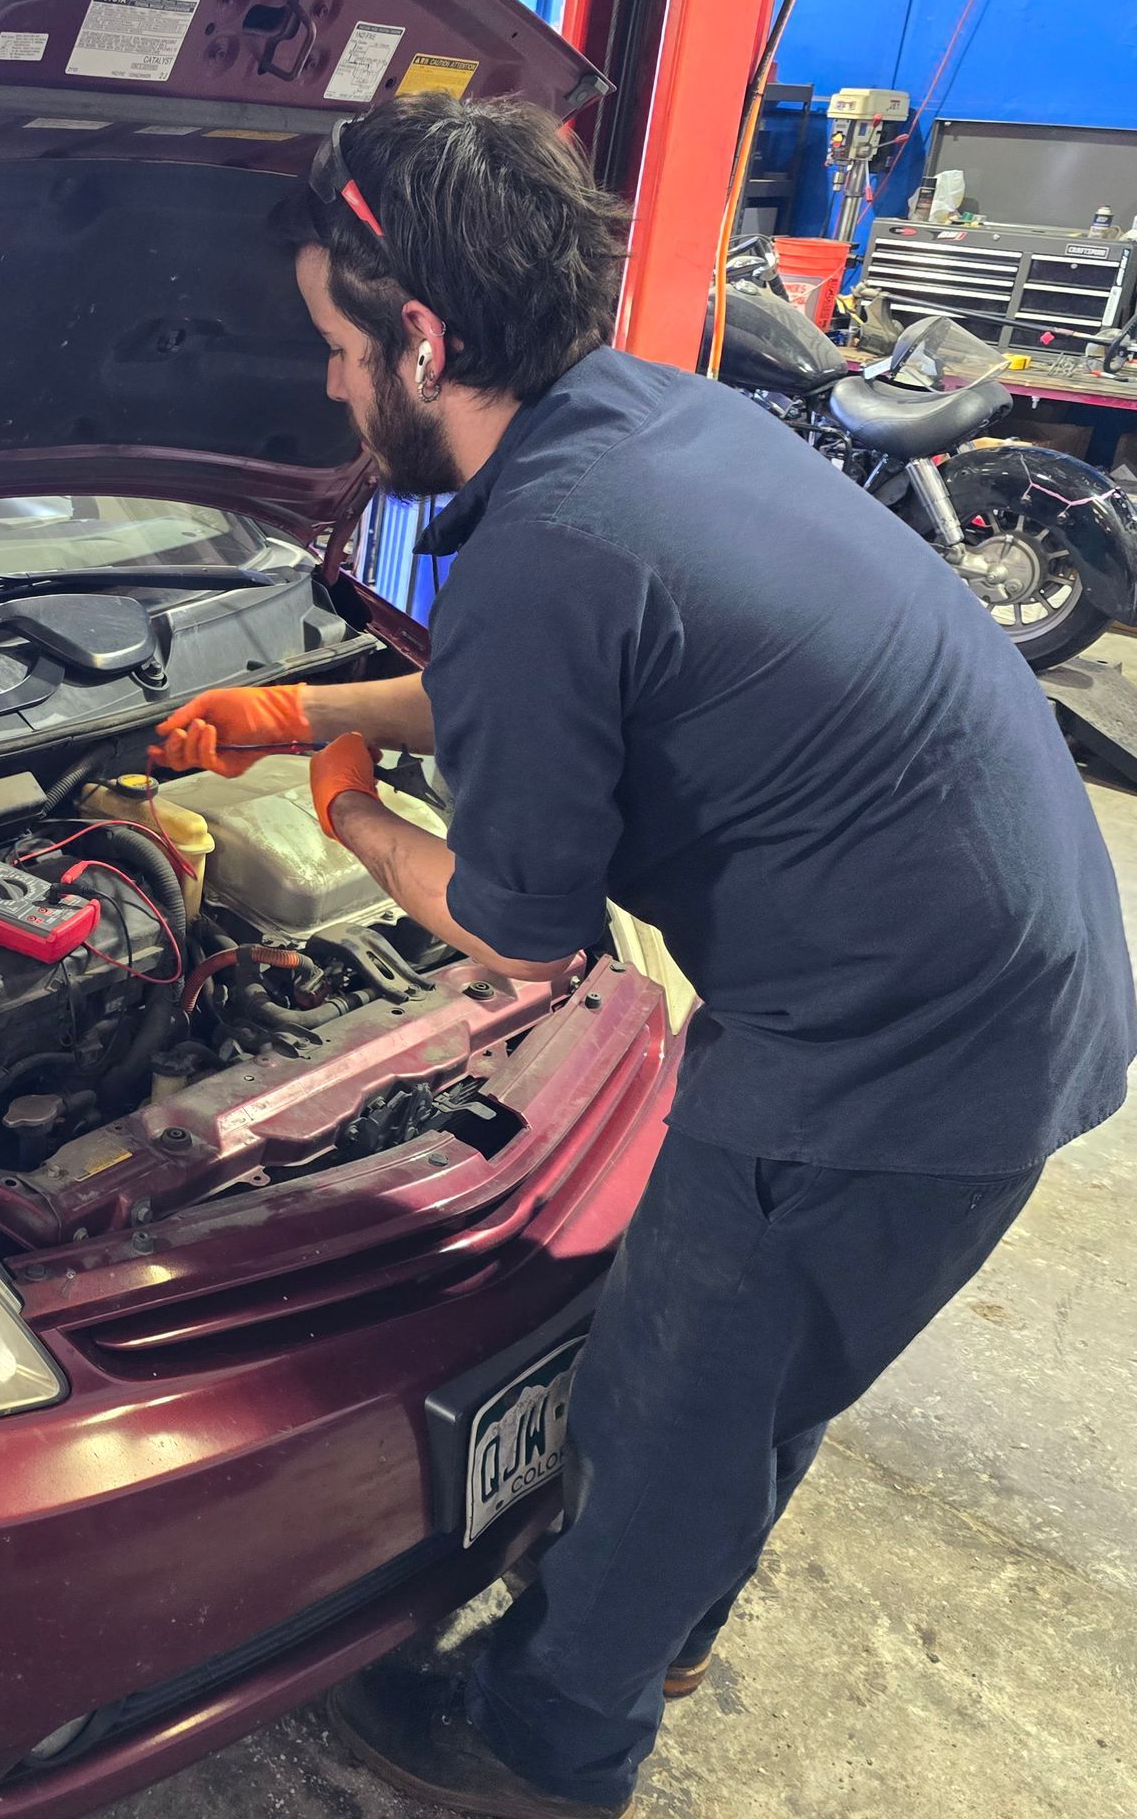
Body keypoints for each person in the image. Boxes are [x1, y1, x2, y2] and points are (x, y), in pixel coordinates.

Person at [149, 93, 1136, 1819]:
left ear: (420, 335)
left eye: (330, 341)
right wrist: (303, 703)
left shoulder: (554, 543)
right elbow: (541, 673)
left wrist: (353, 816)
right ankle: (667, 1626)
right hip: (1007, 973)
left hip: (887, 1053)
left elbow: (527, 943)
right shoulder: (641, 422)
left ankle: (545, 1749)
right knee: (771, 1368)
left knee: (670, 1407)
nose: (321, 384)